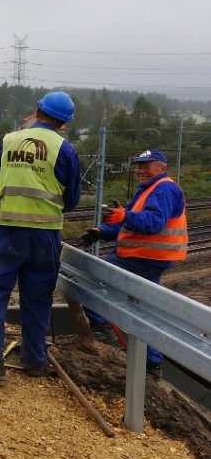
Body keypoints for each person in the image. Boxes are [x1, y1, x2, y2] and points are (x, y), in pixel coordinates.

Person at [0, 91, 81, 382]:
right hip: (46, 235)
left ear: (37, 111)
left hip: (8, 229)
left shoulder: (8, 140)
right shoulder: (65, 149)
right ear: (64, 123)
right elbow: (71, 198)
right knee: (38, 297)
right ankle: (34, 360)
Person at [80, 149, 188, 380]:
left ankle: (102, 328)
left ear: (162, 168)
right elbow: (128, 225)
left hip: (142, 258)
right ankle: (152, 364)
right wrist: (102, 232)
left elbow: (153, 222)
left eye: (147, 166)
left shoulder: (165, 188)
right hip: (146, 258)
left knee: (88, 274)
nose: (141, 170)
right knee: (144, 312)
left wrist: (124, 216)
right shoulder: (148, 190)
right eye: (139, 166)